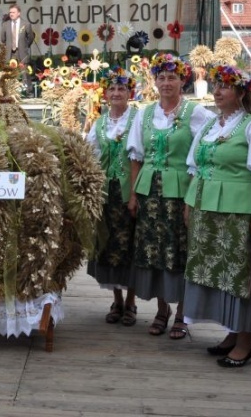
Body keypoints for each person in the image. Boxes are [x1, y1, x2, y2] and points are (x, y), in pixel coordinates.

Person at [183, 65, 251, 368]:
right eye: (216, 85)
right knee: (216, 273)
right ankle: (233, 333)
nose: (217, 91)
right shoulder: (211, 125)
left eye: (225, 86)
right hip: (206, 208)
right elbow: (195, 166)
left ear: (241, 92)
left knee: (239, 275)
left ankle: (246, 341)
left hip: (238, 212)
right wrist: (189, 204)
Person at [127, 53, 214, 338]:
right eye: (161, 78)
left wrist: (196, 195)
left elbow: (206, 152)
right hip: (149, 193)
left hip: (181, 194)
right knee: (154, 251)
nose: (166, 83)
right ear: (155, 81)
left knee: (180, 251)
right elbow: (136, 157)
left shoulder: (196, 113)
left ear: (182, 81)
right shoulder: (144, 114)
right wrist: (133, 195)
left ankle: (182, 313)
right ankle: (162, 309)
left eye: (172, 78)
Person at [85, 68, 141, 325]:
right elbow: (90, 155)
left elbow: (141, 156)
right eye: (112, 89)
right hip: (106, 193)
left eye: (122, 89)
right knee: (108, 245)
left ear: (130, 93)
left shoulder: (138, 120)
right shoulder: (99, 123)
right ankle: (117, 299)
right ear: (105, 94)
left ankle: (131, 301)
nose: (116, 93)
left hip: (130, 191)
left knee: (131, 244)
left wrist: (136, 194)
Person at [0, 4, 35, 93]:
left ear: (19, 13)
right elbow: (3, 39)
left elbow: (30, 38)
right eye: (10, 12)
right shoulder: (5, 24)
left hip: (21, 51)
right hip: (10, 52)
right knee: (10, 73)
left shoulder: (26, 24)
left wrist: (24, 46)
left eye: (13, 12)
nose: (11, 14)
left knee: (24, 72)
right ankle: (10, 92)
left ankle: (28, 92)